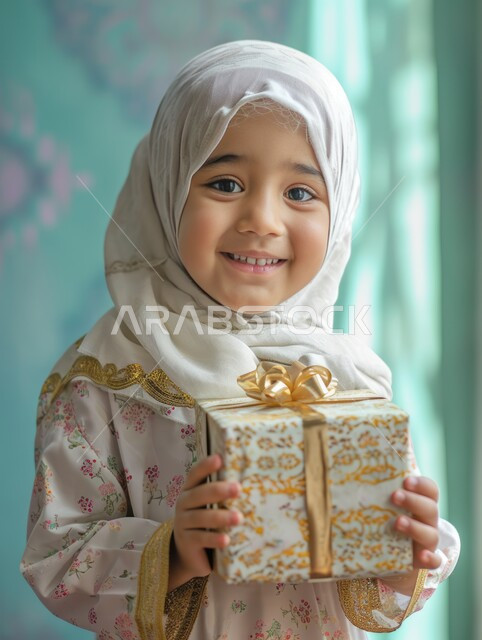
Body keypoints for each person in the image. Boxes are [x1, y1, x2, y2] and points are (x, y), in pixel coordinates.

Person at [20, 40, 460, 640]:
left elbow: (381, 589)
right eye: (225, 183)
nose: (262, 219)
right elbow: (56, 555)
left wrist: (411, 547)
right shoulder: (108, 374)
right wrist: (171, 549)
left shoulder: (347, 376)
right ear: (167, 186)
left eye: (300, 193)